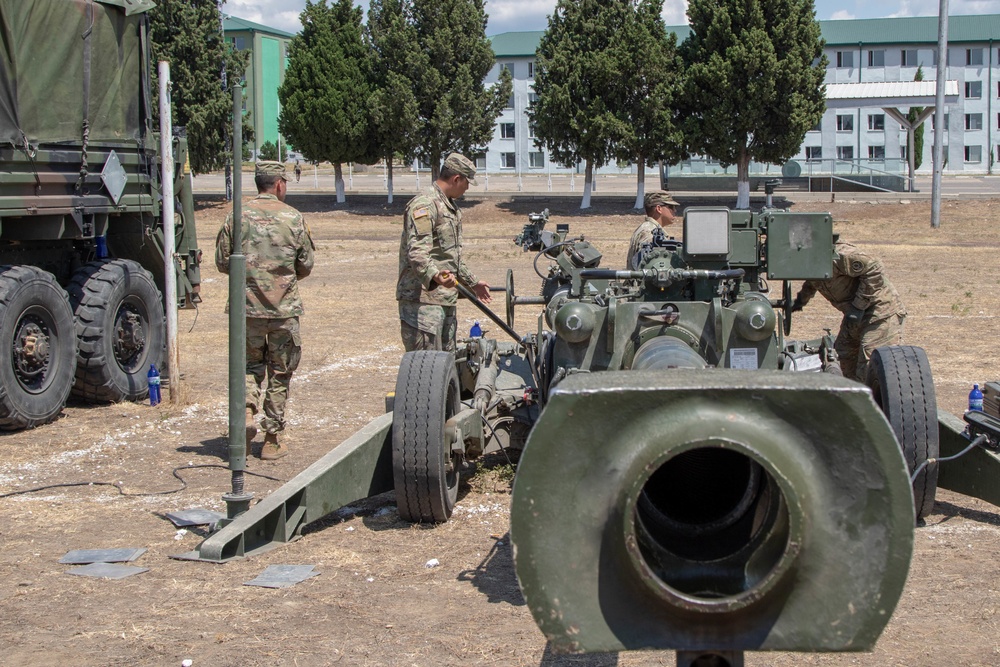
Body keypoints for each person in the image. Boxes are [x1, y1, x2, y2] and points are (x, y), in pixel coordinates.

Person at [215, 161, 315, 460]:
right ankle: (271, 439)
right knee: (280, 373)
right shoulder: (293, 218)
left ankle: (247, 411)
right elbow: (305, 265)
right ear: (280, 184)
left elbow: (222, 262)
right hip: (283, 311)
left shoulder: (236, 216)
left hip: (246, 312)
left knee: (247, 368)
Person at [396, 152, 491, 352]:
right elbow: (417, 252)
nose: (466, 189)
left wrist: (473, 282)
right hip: (422, 302)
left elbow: (448, 256)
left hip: (444, 298)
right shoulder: (425, 205)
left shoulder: (449, 207)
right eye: (467, 183)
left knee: (446, 366)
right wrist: (436, 276)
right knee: (425, 368)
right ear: (457, 179)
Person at [791, 239, 906, 382]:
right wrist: (800, 300)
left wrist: (858, 306)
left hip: (880, 312)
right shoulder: (812, 260)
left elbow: (874, 267)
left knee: (870, 363)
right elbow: (814, 280)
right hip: (855, 316)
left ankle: (870, 401)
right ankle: (851, 397)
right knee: (842, 356)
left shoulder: (838, 254)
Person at [627, 190, 680, 269]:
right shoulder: (650, 233)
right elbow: (647, 266)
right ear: (659, 208)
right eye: (671, 207)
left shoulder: (649, 228)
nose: (674, 211)